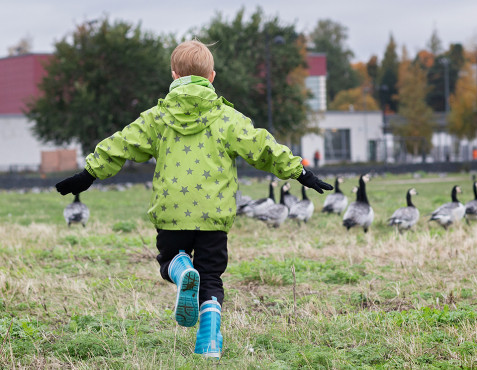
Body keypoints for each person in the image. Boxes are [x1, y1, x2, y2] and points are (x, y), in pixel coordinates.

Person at [55, 39, 333, 359]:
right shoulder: (227, 118)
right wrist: (301, 174)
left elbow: (122, 144)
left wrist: (88, 174)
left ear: (174, 75)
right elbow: (263, 146)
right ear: (211, 77)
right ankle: (210, 342)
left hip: (172, 213)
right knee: (211, 277)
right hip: (215, 215)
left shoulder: (157, 117)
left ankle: (181, 268)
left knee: (168, 259)